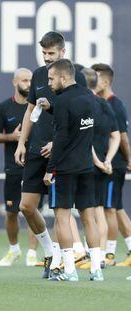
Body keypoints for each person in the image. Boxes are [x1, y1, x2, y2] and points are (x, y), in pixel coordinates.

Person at [14, 31, 87, 278]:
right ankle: (50, 252)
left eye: (51, 53)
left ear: (62, 52)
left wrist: (56, 144)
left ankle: (69, 260)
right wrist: (22, 142)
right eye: (43, 53)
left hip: (62, 153)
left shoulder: (76, 77)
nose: (46, 58)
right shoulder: (37, 75)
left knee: (61, 213)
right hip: (35, 149)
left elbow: (78, 120)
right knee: (26, 206)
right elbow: (30, 111)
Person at [43, 59, 102, 281]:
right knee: (89, 218)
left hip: (65, 169)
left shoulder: (63, 100)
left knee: (62, 218)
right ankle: (96, 270)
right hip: (86, 166)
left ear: (64, 77)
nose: (49, 83)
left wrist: (50, 169)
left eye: (51, 78)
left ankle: (69, 271)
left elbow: (61, 138)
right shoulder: (89, 97)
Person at [0, 68, 40, 267]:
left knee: (32, 209)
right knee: (12, 212)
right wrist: (12, 137)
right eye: (24, 80)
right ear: (15, 82)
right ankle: (14, 250)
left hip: (35, 166)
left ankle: (32, 253)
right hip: (13, 167)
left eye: (31, 80)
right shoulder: (4, 107)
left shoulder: (38, 107)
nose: (28, 84)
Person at [77, 68, 120, 270]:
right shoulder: (105, 104)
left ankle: (93, 256)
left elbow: (87, 137)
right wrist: (108, 160)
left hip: (88, 165)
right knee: (100, 211)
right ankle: (100, 255)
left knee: (91, 214)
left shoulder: (86, 104)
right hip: (103, 165)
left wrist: (97, 161)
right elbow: (115, 135)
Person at [91, 63, 131, 267]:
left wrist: (129, 159)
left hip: (113, 164)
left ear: (105, 81)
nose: (93, 82)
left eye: (96, 78)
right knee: (117, 208)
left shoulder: (114, 104)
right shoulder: (100, 103)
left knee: (109, 209)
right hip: (105, 163)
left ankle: (109, 254)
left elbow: (121, 136)